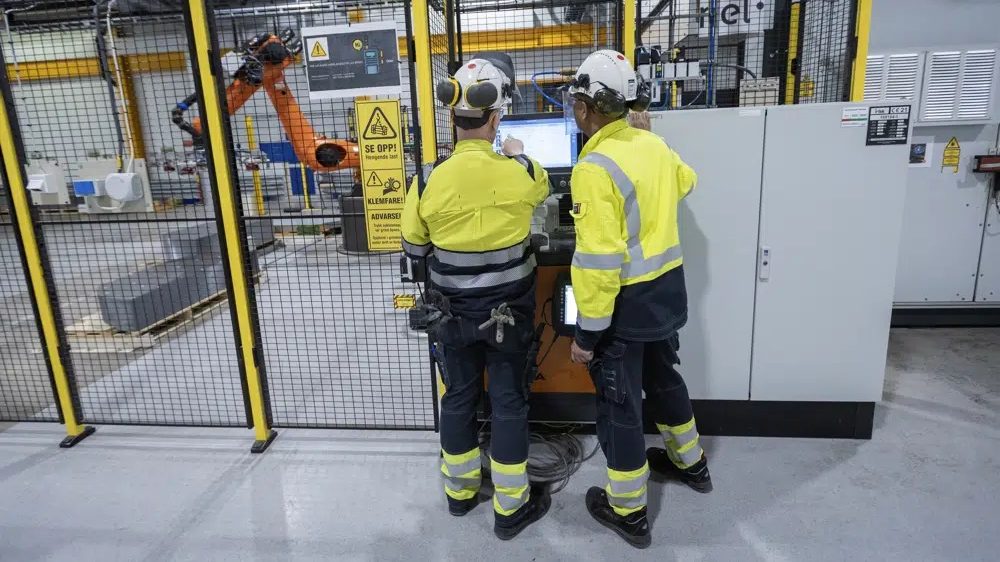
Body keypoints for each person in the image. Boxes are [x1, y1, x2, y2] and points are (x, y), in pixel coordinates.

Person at [400, 54, 551, 540]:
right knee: (508, 400)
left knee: (459, 397)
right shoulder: (524, 172)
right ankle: (511, 508)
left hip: (451, 319)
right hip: (510, 315)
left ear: (452, 116)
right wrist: (517, 152)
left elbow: (414, 248)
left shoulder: (426, 179)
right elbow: (542, 199)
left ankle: (460, 493)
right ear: (495, 115)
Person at [565, 49, 713, 549]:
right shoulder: (652, 145)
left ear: (587, 107)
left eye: (574, 101)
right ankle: (691, 464)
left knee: (620, 406)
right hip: (666, 295)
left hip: (624, 310)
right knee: (666, 379)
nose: (572, 110)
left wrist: (586, 336)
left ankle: (627, 511)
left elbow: (600, 264)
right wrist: (651, 142)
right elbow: (686, 181)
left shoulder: (593, 167)